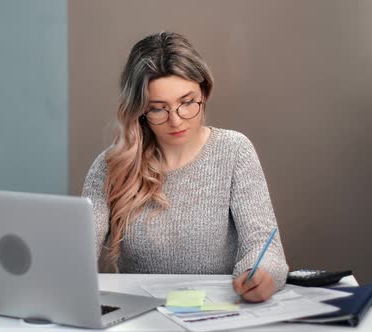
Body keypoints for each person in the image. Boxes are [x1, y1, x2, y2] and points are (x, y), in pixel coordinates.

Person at [82, 31, 288, 303]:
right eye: (158, 108)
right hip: (142, 315)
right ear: (140, 111)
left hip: (217, 312)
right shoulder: (111, 165)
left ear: (204, 91)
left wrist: (260, 272)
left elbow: (264, 245)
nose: (176, 121)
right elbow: (78, 253)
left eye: (187, 102)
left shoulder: (235, 150)